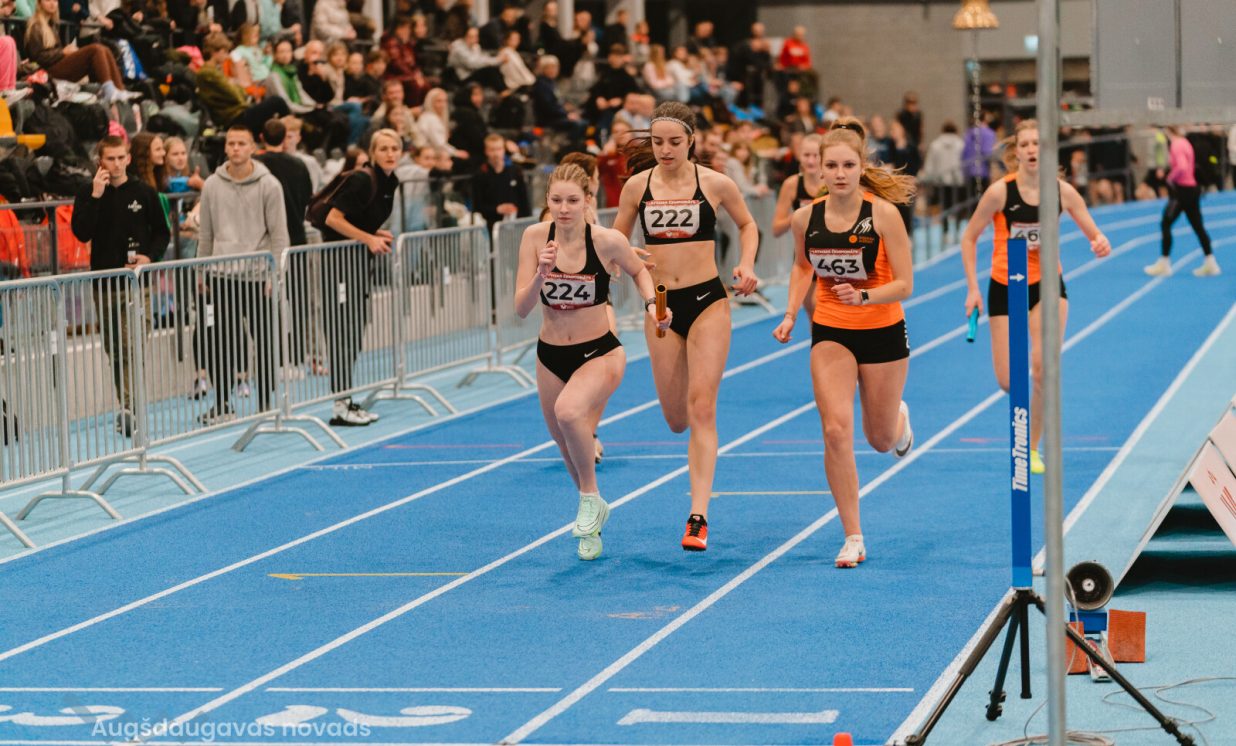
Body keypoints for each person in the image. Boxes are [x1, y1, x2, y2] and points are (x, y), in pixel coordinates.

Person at [612, 101, 760, 552]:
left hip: (707, 300)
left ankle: (698, 517)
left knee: (702, 409)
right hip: (660, 305)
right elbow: (615, 241)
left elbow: (748, 224)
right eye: (658, 142)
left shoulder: (714, 183)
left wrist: (747, 263)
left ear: (691, 141)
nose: (665, 150)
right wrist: (625, 257)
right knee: (676, 419)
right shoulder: (637, 187)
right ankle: (696, 507)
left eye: (675, 142)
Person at [771, 117, 915, 568]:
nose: (838, 173)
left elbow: (907, 284)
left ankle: (898, 420)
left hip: (882, 329)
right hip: (831, 329)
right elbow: (802, 267)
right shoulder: (805, 218)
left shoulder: (884, 215)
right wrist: (791, 313)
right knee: (835, 430)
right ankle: (853, 535)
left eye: (848, 165)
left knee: (879, 439)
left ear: (861, 167)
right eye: (830, 165)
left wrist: (865, 295)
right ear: (818, 168)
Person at [515, 163, 670, 560]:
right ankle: (593, 519)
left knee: (569, 413)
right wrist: (541, 274)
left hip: (599, 351)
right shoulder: (534, 238)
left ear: (588, 201)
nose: (564, 208)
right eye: (556, 200)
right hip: (550, 354)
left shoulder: (606, 240)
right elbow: (521, 308)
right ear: (546, 201)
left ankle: (588, 497)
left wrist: (652, 305)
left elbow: (639, 272)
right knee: (563, 439)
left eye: (572, 200)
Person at [961, 119, 1112, 475]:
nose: (1031, 149)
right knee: (1008, 381)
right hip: (1005, 284)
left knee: (1043, 370)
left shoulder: (1062, 192)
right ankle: (1024, 427)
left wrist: (1100, 242)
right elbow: (969, 238)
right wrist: (972, 288)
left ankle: (1030, 448)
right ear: (1016, 152)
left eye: (1037, 144)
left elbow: (1095, 234)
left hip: (1047, 284)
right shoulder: (1000, 193)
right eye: (1025, 144)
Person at [70, 136, 171, 438]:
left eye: (120, 158)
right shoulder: (88, 192)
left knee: (132, 345)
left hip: (137, 286)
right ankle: (127, 406)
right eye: (110, 159)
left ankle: (131, 407)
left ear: (128, 158)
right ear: (99, 161)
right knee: (115, 350)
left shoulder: (145, 192)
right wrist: (95, 196)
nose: (116, 164)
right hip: (104, 285)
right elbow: (81, 233)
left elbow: (162, 233)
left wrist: (149, 256)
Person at [196, 124, 289, 424]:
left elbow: (279, 235)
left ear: (252, 147)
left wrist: (275, 275)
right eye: (231, 143)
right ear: (225, 147)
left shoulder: (270, 185)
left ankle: (265, 403)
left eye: (241, 143)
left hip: (258, 277)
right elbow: (206, 233)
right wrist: (201, 271)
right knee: (219, 342)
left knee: (264, 341)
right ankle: (222, 403)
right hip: (220, 276)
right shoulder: (212, 185)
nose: (236, 148)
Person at [316, 128, 402, 426]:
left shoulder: (391, 181)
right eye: (384, 149)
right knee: (342, 332)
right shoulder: (362, 179)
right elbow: (332, 218)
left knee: (354, 331)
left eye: (395, 148)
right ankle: (340, 404)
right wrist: (368, 238)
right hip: (338, 264)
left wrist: (373, 232)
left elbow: (357, 218)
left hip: (358, 263)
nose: (390, 154)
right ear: (373, 153)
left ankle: (346, 399)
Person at [1144, 127, 1221, 278]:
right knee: (1198, 226)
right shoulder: (1185, 142)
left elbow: (1182, 167)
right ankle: (1211, 261)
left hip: (1182, 191)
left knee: (1166, 223)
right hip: (1192, 189)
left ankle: (1164, 262)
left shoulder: (1176, 144)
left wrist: (1170, 178)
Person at [773, 133, 823, 316]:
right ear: (798, 156)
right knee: (812, 311)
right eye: (806, 155)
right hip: (805, 254)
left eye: (815, 155)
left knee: (821, 305)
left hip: (832, 250)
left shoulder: (834, 182)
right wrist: (799, 214)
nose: (810, 161)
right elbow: (776, 228)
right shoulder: (792, 185)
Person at [473, 132, 530, 229]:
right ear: (486, 151)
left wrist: (527, 224)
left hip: (517, 224)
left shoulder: (515, 171)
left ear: (504, 150)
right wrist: (497, 209)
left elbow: (524, 201)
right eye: (492, 150)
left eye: (499, 149)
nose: (496, 153)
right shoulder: (480, 175)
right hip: (492, 225)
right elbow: (477, 206)